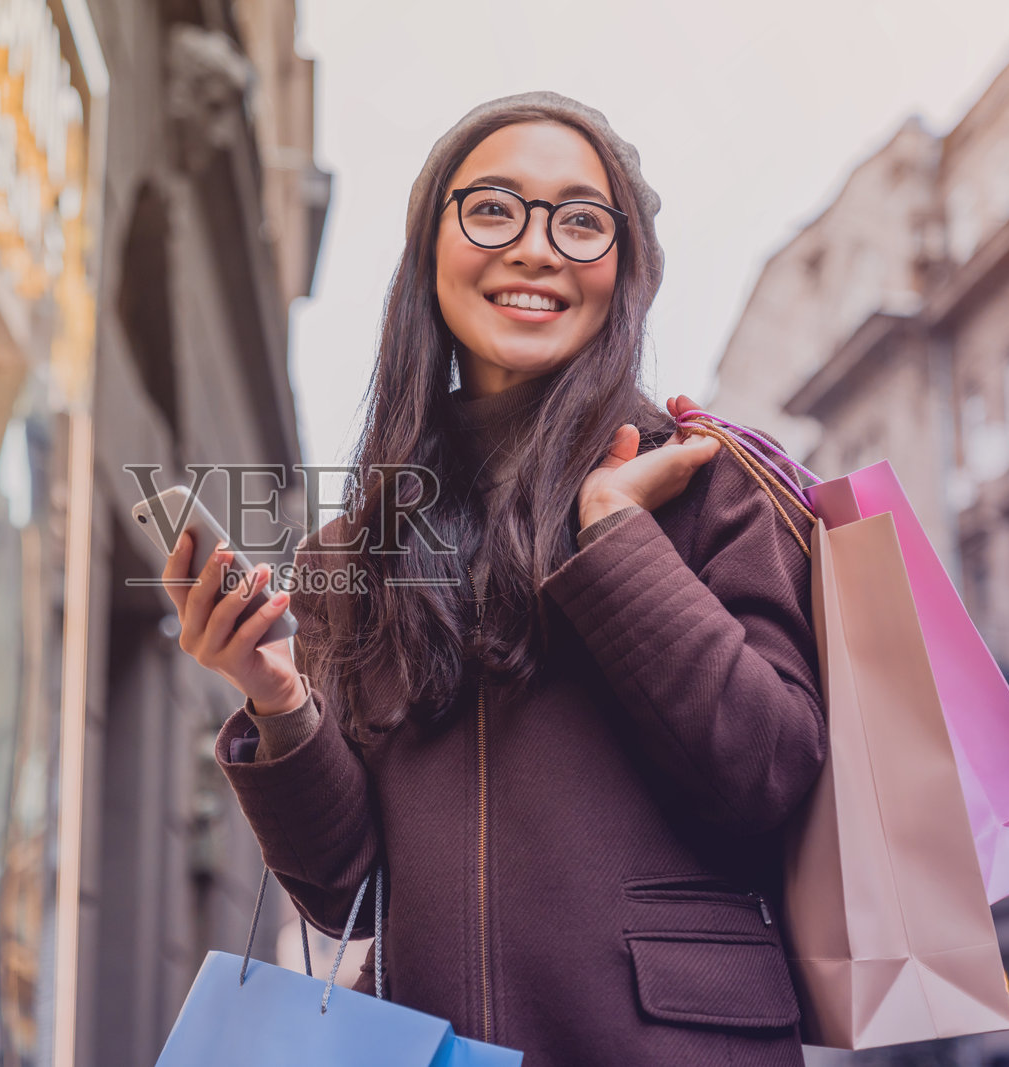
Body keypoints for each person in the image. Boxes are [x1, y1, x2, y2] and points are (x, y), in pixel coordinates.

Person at [160, 91, 826, 1066]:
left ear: (626, 270)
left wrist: (615, 537)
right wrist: (277, 697)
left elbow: (769, 775)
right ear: (429, 252)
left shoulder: (707, 483)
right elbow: (343, 892)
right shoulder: (354, 550)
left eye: (581, 221)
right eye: (492, 209)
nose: (535, 248)